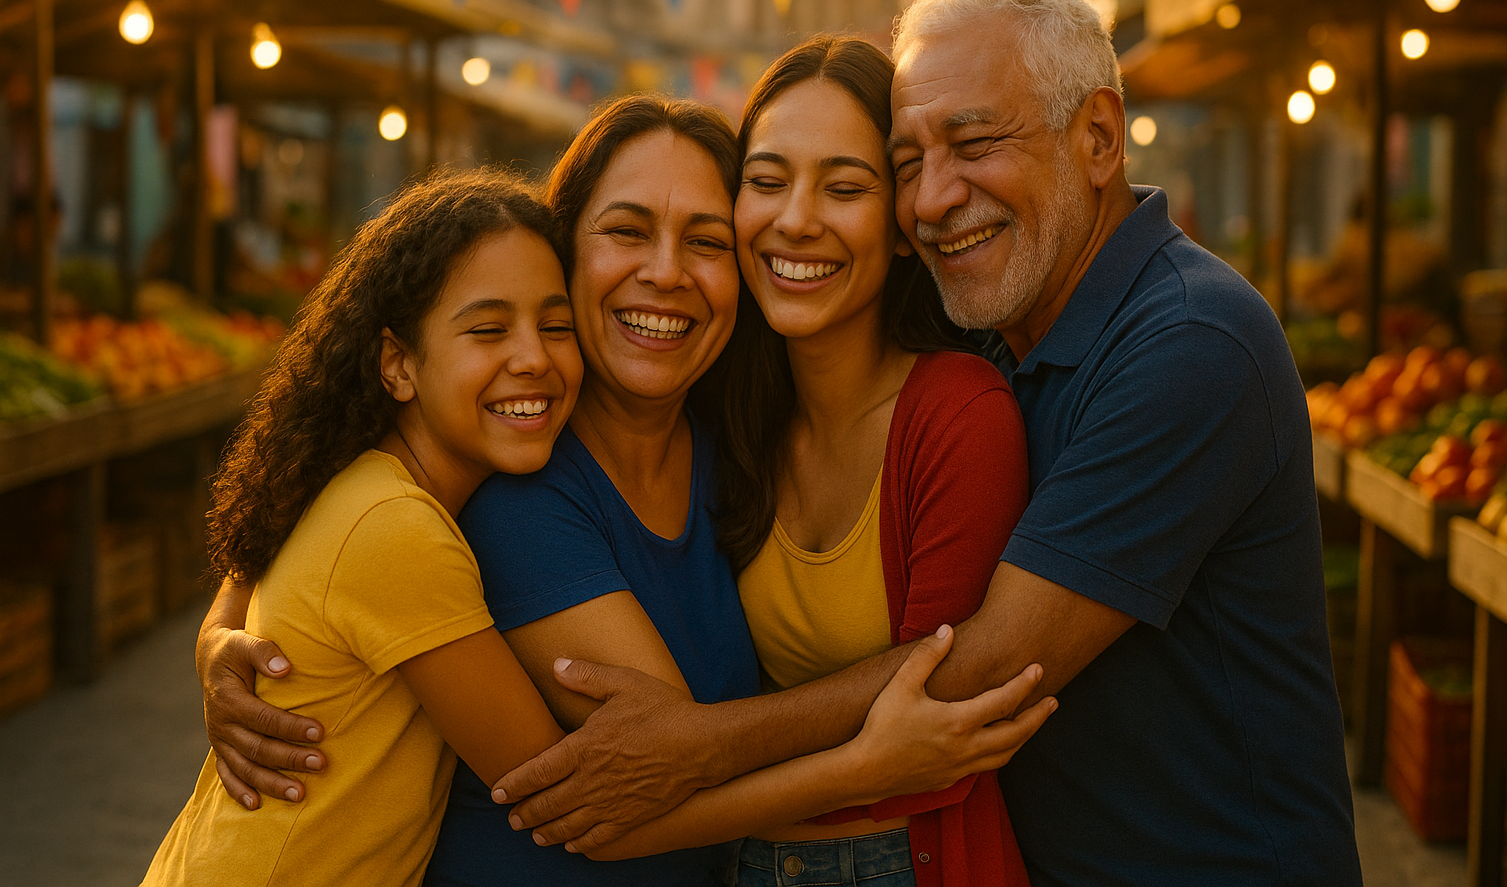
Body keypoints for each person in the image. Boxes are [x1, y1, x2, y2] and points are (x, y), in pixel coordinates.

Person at [489, 0, 1363, 886]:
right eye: (910, 163)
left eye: (975, 144)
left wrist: (698, 744)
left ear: (1099, 138)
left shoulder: (1189, 339)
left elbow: (982, 663)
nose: (935, 198)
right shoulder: (984, 326)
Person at [193, 96, 1052, 886]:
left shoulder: (733, 435)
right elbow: (655, 779)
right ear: (562, 253)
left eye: (708, 241)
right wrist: (877, 762)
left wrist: (220, 626)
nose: (667, 272)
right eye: (627, 231)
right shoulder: (516, 474)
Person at [142, 169, 580, 886]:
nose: (533, 357)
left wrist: (214, 631)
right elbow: (551, 788)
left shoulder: (365, 481)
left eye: (556, 326)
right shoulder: (395, 525)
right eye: (488, 329)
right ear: (397, 365)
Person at [702, 35, 1030, 886]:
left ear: (900, 227)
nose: (795, 219)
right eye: (766, 181)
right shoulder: (720, 409)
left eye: (843, 188)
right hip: (729, 856)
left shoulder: (959, 414)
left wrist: (690, 748)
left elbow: (943, 700)